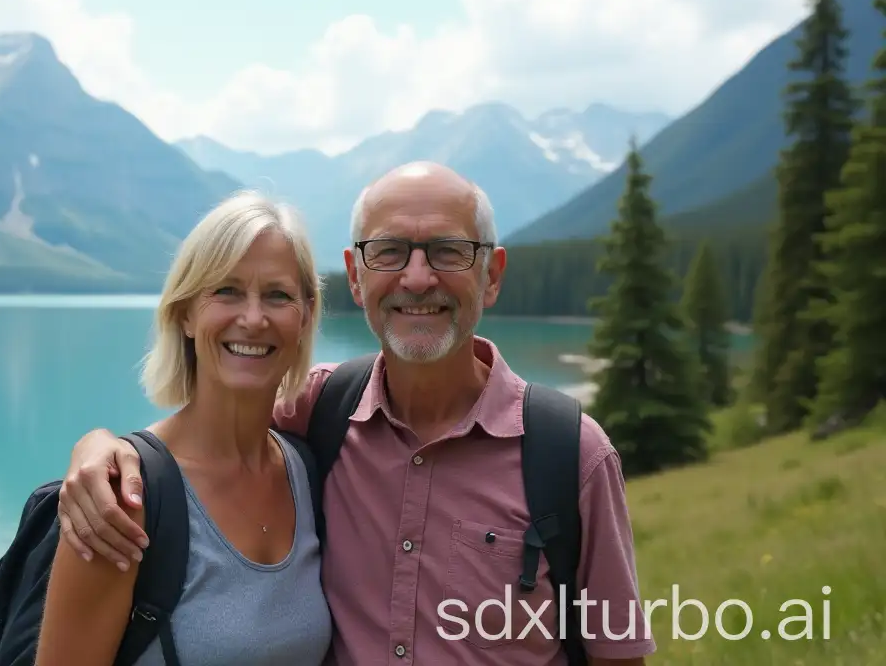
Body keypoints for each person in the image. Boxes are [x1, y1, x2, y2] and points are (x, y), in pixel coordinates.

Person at [53, 162, 657, 665]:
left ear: (491, 275)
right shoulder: (322, 417)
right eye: (389, 252)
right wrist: (103, 444)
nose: (417, 278)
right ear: (357, 276)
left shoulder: (569, 456)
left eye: (448, 250)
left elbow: (618, 656)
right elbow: (211, 421)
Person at [34, 190, 334, 666]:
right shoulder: (123, 500)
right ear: (186, 314)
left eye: (278, 295)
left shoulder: (308, 469)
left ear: (305, 317)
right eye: (227, 291)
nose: (253, 319)